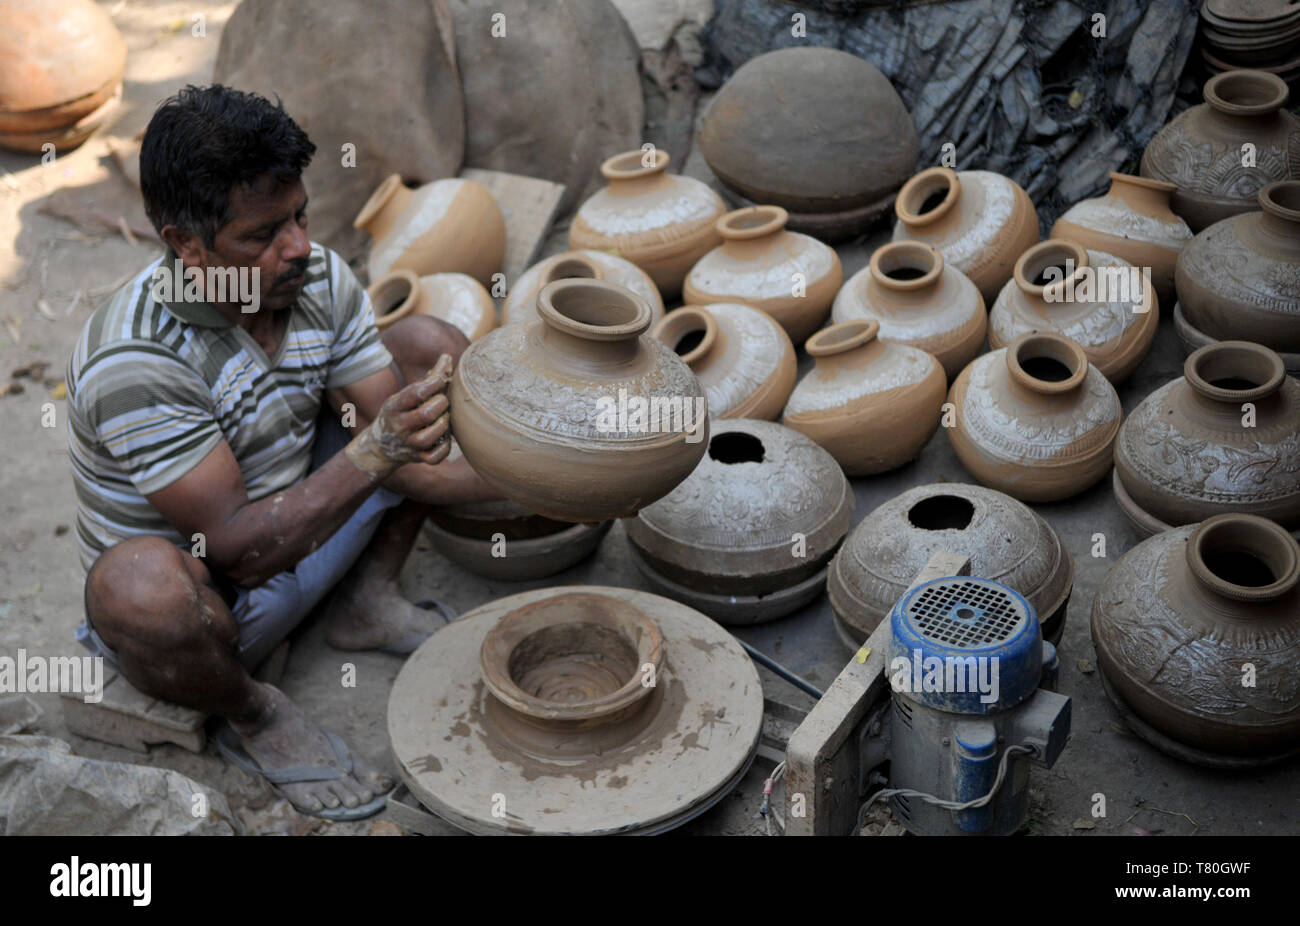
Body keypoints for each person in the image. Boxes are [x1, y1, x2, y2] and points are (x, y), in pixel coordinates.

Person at [66, 85, 496, 820]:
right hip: (216, 610)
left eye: (299, 215)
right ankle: (254, 712)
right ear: (185, 245)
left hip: (310, 521)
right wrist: (379, 451)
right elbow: (237, 551)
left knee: (428, 355)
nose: (297, 246)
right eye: (262, 235)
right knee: (135, 586)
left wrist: (552, 478)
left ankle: (364, 602)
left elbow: (409, 449)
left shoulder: (315, 276)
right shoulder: (135, 358)